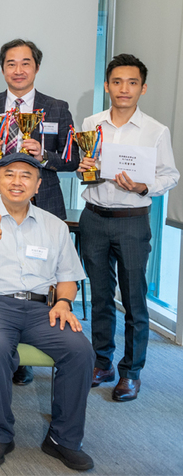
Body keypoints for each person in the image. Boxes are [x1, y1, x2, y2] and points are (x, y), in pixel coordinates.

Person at [0, 152, 93, 471]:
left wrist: (63, 303)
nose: (17, 181)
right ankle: (0, 433)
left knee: (80, 351)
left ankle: (63, 439)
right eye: (9, 174)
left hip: (41, 308)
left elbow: (68, 278)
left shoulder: (54, 225)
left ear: (37, 185)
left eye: (25, 175)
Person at [0, 39, 78, 387]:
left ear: (36, 67)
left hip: (42, 197)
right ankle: (2, 342)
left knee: (41, 268)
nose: (18, 70)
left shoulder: (56, 107)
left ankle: (34, 340)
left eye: (25, 63)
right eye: (11, 64)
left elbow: (73, 158)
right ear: (3, 68)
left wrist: (44, 155)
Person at [78, 54, 178, 401]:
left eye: (132, 83)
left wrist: (142, 186)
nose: (124, 89)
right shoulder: (91, 123)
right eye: (117, 82)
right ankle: (102, 362)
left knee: (134, 299)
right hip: (94, 218)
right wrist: (84, 167)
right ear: (107, 86)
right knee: (100, 296)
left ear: (143, 88)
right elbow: (84, 168)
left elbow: (170, 175)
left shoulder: (155, 130)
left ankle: (131, 372)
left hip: (132, 221)